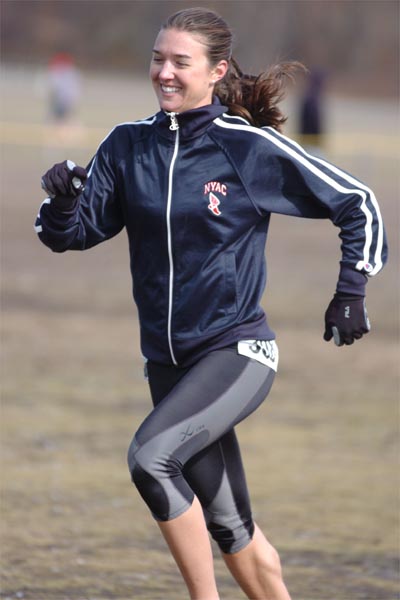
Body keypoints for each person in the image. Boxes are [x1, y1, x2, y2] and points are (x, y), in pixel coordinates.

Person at [35, 8, 387, 600]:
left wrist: (350, 290)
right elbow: (68, 234)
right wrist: (66, 199)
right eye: (157, 59)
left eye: (180, 62)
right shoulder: (127, 145)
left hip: (236, 351)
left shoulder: (246, 148)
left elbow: (359, 202)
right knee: (232, 527)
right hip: (167, 365)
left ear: (216, 70)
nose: (164, 73)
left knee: (151, 460)